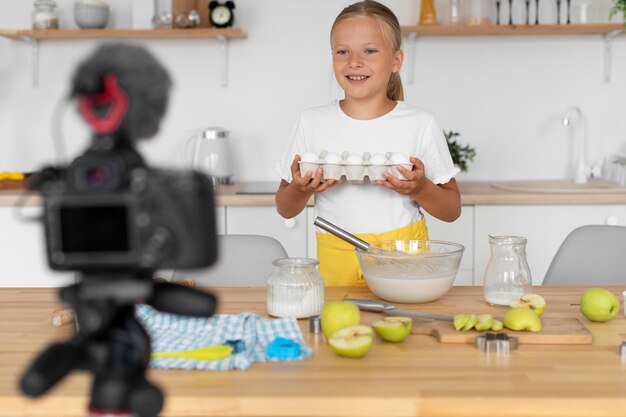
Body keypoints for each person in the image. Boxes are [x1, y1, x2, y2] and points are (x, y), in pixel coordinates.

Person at [275, 0, 461, 286]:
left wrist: (421, 187)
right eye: (343, 51)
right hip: (337, 260)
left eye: (370, 51)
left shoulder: (420, 123)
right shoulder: (311, 122)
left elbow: (451, 211)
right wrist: (300, 190)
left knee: (403, 328)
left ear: (396, 61)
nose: (354, 61)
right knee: (342, 330)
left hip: (403, 261)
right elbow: (285, 207)